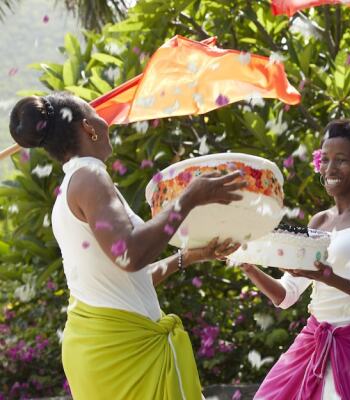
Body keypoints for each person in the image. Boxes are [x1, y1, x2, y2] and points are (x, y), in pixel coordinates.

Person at [9, 92, 246, 400]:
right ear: (89, 128)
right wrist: (189, 198)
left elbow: (127, 280)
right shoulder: (91, 177)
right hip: (122, 352)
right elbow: (129, 254)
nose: (106, 122)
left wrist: (190, 256)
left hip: (103, 346)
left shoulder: (72, 188)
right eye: (98, 115)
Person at [237, 120, 350, 400]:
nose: (330, 169)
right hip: (312, 340)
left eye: (341, 160)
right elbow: (286, 295)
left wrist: (328, 276)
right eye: (325, 160)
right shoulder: (319, 222)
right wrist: (248, 265)